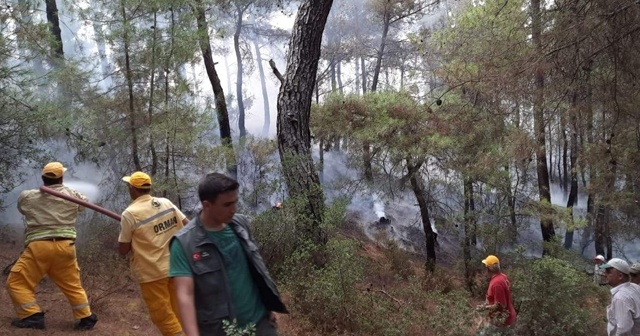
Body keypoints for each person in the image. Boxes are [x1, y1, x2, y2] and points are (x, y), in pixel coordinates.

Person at [169, 173, 288, 336]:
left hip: (260, 324)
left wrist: (268, 306)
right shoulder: (184, 243)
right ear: (207, 205)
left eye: (235, 202)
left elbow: (255, 268)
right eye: (227, 204)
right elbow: (185, 295)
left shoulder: (241, 225)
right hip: (220, 331)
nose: (234, 209)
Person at [6, 162, 98, 330]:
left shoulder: (28, 196)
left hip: (39, 247)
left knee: (16, 281)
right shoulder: (71, 194)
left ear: (43, 178)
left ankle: (31, 315)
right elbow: (83, 205)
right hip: (66, 247)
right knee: (72, 285)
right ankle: (86, 317)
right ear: (62, 178)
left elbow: (22, 209)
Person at [118, 171, 189, 336]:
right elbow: (188, 225)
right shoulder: (166, 203)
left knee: (162, 315)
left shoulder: (129, 213)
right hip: (176, 266)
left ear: (132, 189)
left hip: (153, 272)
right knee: (177, 310)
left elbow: (123, 250)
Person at [476, 255, 517, 335]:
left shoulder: (496, 283)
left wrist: (484, 308)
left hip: (502, 322)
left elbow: (501, 305)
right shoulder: (503, 276)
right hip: (509, 317)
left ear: (488, 269)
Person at [600, 258, 640, 335]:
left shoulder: (620, 297)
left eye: (608, 271)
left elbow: (623, 330)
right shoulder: (634, 287)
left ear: (620, 276)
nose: (605, 274)